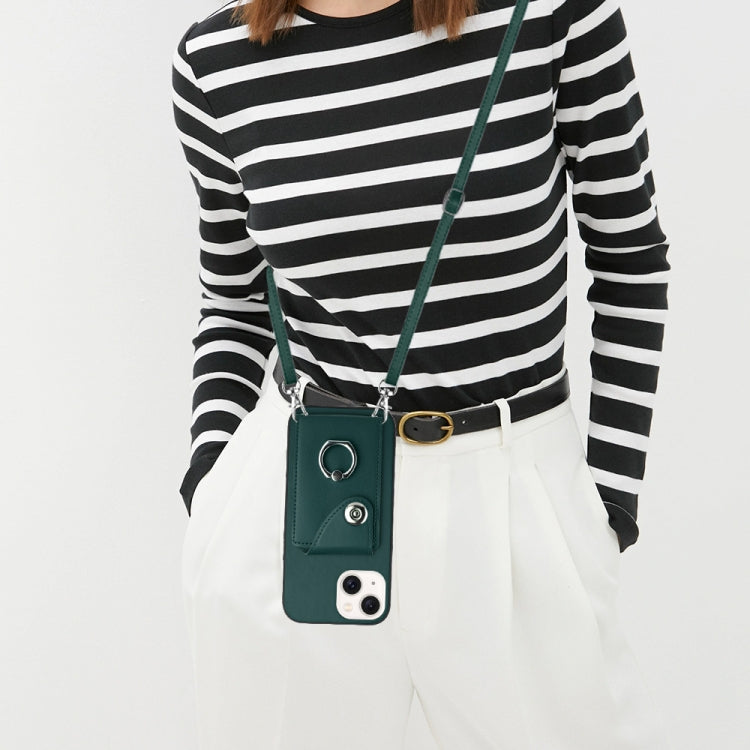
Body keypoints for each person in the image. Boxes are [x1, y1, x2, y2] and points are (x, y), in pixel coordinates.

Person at [170, 0, 673, 747]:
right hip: (301, 497)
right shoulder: (215, 60)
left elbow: (630, 255)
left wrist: (609, 505)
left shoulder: (550, 14)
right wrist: (212, 480)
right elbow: (234, 298)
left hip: (511, 491)